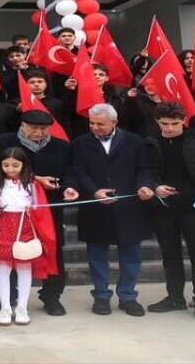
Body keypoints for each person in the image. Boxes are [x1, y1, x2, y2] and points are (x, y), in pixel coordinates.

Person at [71, 103, 155, 316]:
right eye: (91, 123)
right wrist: (94, 191)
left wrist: (144, 185)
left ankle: (127, 296)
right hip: (96, 207)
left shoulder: (135, 142)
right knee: (97, 255)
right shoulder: (80, 144)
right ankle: (101, 296)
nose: (95, 127)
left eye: (100, 124)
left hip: (129, 207)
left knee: (131, 255)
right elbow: (78, 172)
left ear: (114, 122)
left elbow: (144, 169)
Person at [0, 110, 78, 315]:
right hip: (13, 211)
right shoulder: (3, 142)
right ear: (22, 125)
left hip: (49, 208)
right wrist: (35, 179)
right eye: (33, 128)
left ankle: (51, 296)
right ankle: (9, 297)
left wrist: (68, 187)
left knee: (52, 249)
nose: (38, 132)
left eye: (43, 128)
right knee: (12, 251)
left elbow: (71, 173)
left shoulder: (62, 146)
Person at [143, 102, 195, 322]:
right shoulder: (150, 143)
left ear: (184, 121)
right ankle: (175, 298)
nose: (169, 128)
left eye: (174, 123)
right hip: (163, 208)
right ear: (157, 122)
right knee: (170, 256)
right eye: (164, 123)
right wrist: (155, 187)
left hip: (194, 208)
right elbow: (145, 171)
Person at [0, 147, 58, 326]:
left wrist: (33, 209)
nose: (10, 169)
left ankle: (22, 307)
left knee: (24, 266)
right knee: (3, 267)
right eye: (6, 165)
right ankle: (5, 307)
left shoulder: (32, 184)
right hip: (2, 226)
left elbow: (40, 207)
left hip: (25, 226)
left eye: (15, 165)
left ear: (23, 165)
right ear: (0, 165)